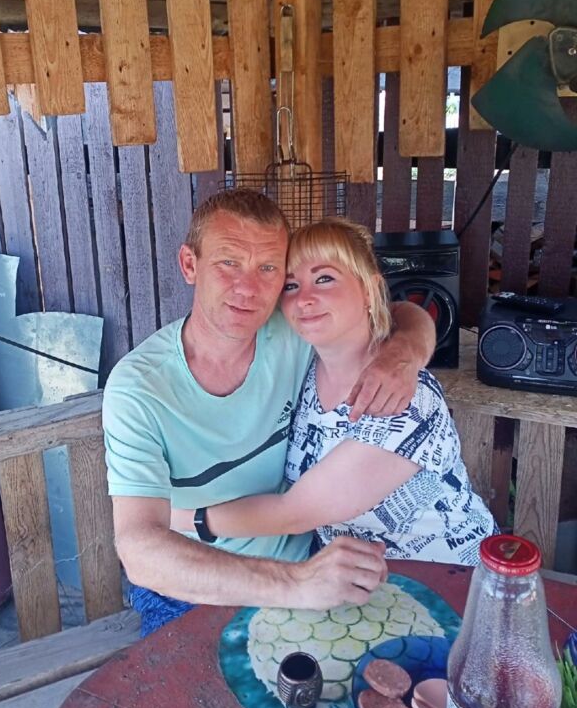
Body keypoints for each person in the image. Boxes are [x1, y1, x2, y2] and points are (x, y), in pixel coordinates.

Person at [103, 191, 436, 636]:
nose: (248, 288)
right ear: (189, 265)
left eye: (267, 268)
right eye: (229, 263)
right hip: (194, 587)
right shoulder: (140, 388)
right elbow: (140, 549)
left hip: (310, 570)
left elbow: (397, 311)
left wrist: (404, 353)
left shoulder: (297, 328)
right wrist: (295, 584)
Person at [173, 217, 496, 566]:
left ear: (369, 289)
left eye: (324, 278)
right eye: (291, 286)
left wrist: (175, 517)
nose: (304, 299)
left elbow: (295, 513)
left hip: (451, 581)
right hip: (356, 580)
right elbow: (405, 312)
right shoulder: (304, 366)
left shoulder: (401, 395)